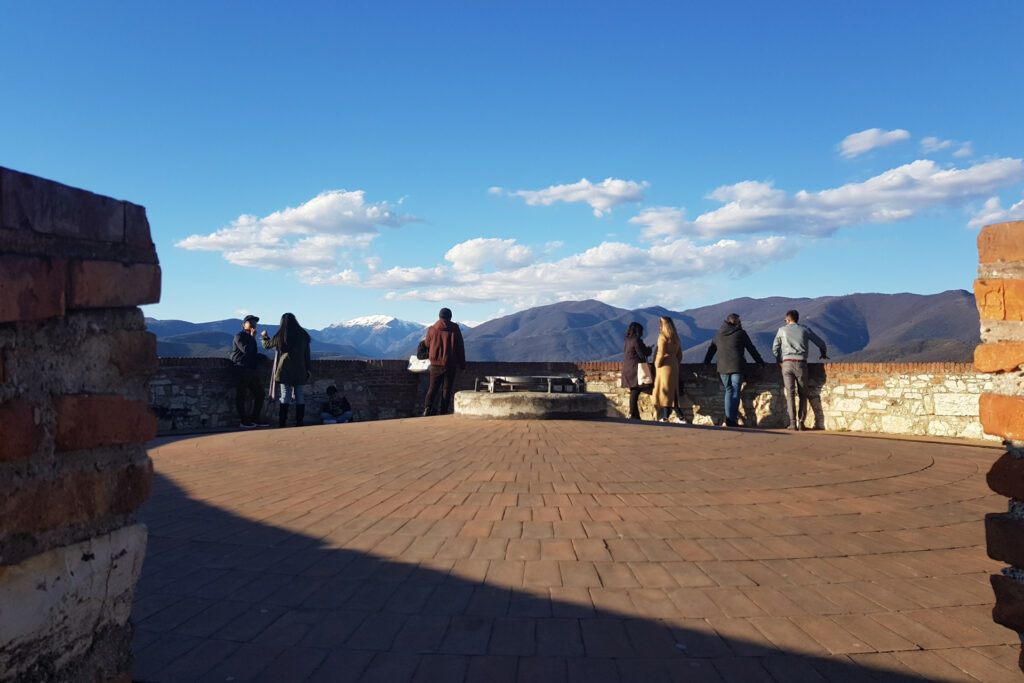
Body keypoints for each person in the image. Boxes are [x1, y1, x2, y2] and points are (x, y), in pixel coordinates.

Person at [704, 313, 765, 427]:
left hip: (722, 368)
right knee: (736, 391)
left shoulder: (719, 334)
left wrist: (706, 363)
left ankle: (728, 418)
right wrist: (760, 362)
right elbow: (751, 349)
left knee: (728, 391)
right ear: (736, 322)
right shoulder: (741, 333)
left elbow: (711, 349)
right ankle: (732, 419)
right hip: (737, 367)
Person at [772, 309, 828, 431]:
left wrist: (778, 360)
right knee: (803, 394)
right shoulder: (805, 329)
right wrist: (823, 353)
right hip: (801, 364)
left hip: (786, 364)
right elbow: (821, 343)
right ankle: (801, 422)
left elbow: (775, 348)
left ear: (788, 320)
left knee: (790, 394)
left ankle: (792, 423)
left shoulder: (782, 330)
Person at [260, 312, 312, 427]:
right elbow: (307, 354)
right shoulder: (303, 335)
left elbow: (267, 345)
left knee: (285, 395)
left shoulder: (282, 335)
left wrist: (264, 336)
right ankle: (299, 422)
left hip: (285, 369)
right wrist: (308, 369)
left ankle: (282, 422)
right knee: (299, 395)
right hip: (300, 369)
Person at [423, 307, 466, 416]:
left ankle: (427, 409)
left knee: (432, 389)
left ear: (439, 316)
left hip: (435, 364)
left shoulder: (432, 329)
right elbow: (460, 347)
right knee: (446, 390)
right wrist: (462, 365)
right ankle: (443, 411)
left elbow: (427, 344)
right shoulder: (455, 329)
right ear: (450, 317)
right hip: (450, 364)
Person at [230, 314, 268, 428]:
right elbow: (246, 350)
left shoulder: (251, 337)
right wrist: (252, 337)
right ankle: (243, 420)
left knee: (260, 394)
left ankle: (255, 418)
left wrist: (263, 358)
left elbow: (252, 353)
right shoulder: (239, 336)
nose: (253, 324)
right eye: (250, 322)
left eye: (255, 323)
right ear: (244, 325)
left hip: (251, 369)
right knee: (241, 395)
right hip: (241, 369)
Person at [653, 317, 687, 423]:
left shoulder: (662, 336)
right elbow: (680, 355)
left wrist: (657, 363)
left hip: (665, 366)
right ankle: (678, 416)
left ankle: (666, 417)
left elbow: (661, 353)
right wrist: (675, 363)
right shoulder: (676, 337)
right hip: (674, 364)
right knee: (673, 391)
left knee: (666, 391)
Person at [621, 321, 652, 420]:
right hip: (635, 370)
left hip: (627, 368)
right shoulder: (636, 340)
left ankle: (636, 416)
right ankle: (631, 413)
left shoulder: (627, 340)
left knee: (634, 391)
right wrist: (649, 350)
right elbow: (642, 354)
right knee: (635, 392)